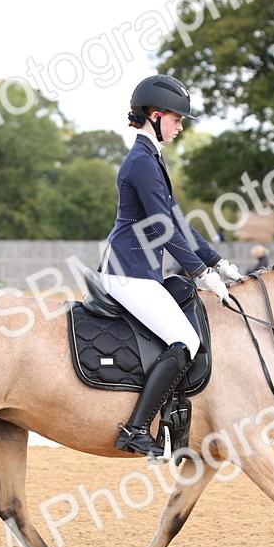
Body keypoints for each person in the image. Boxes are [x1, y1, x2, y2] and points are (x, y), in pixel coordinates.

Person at [97, 74, 244, 458]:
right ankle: (135, 429)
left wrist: (218, 262)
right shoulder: (142, 162)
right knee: (187, 341)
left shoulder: (150, 158)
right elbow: (162, 229)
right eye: (177, 119)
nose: (180, 127)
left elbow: (178, 221)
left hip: (140, 270)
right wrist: (200, 273)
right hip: (127, 272)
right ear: (156, 114)